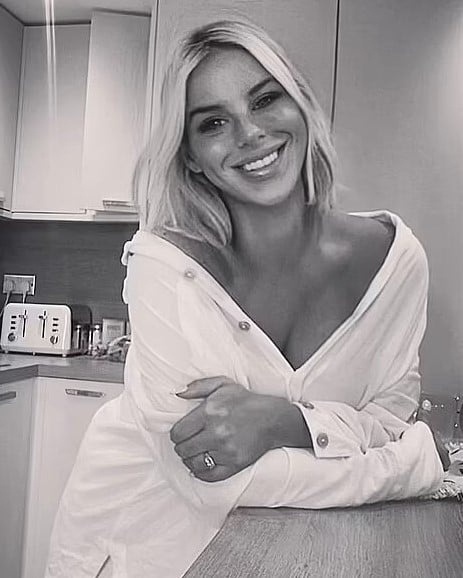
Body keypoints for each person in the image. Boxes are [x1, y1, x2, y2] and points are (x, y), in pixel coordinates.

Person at [46, 19, 447, 578]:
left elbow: (388, 421)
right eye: (213, 122)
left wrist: (286, 422)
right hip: (141, 544)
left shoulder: (396, 263)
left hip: (298, 550)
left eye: (265, 100)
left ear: (300, 104)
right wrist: (410, 468)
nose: (250, 133)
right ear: (190, 155)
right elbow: (211, 480)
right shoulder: (164, 266)